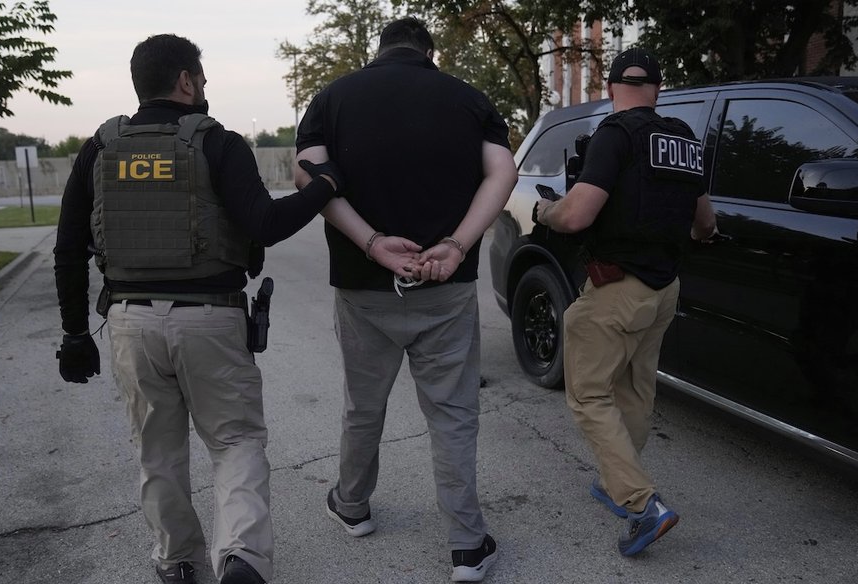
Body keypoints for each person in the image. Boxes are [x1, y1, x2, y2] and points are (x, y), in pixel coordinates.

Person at [53, 34, 343, 584]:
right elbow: (265, 224)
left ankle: (179, 563)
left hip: (130, 322)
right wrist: (324, 186)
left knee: (157, 452)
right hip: (211, 316)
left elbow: (68, 248)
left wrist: (75, 333)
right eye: (202, 78)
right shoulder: (219, 143)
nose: (205, 87)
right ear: (186, 81)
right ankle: (241, 558)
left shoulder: (99, 148)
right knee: (236, 442)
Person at [293, 17, 517, 583]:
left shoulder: (332, 99)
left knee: (363, 407)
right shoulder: (470, 100)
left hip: (363, 289)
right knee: (453, 416)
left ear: (378, 50)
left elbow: (307, 177)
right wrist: (456, 244)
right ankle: (467, 546)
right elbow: (503, 173)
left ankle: (352, 505)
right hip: (446, 287)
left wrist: (371, 243)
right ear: (429, 52)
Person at [532, 47, 717, 556]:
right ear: (657, 90)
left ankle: (641, 505)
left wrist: (546, 210)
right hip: (664, 289)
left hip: (617, 288)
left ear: (612, 88)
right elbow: (705, 224)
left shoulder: (614, 135)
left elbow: (577, 216)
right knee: (635, 389)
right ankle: (617, 481)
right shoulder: (683, 138)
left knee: (589, 394)